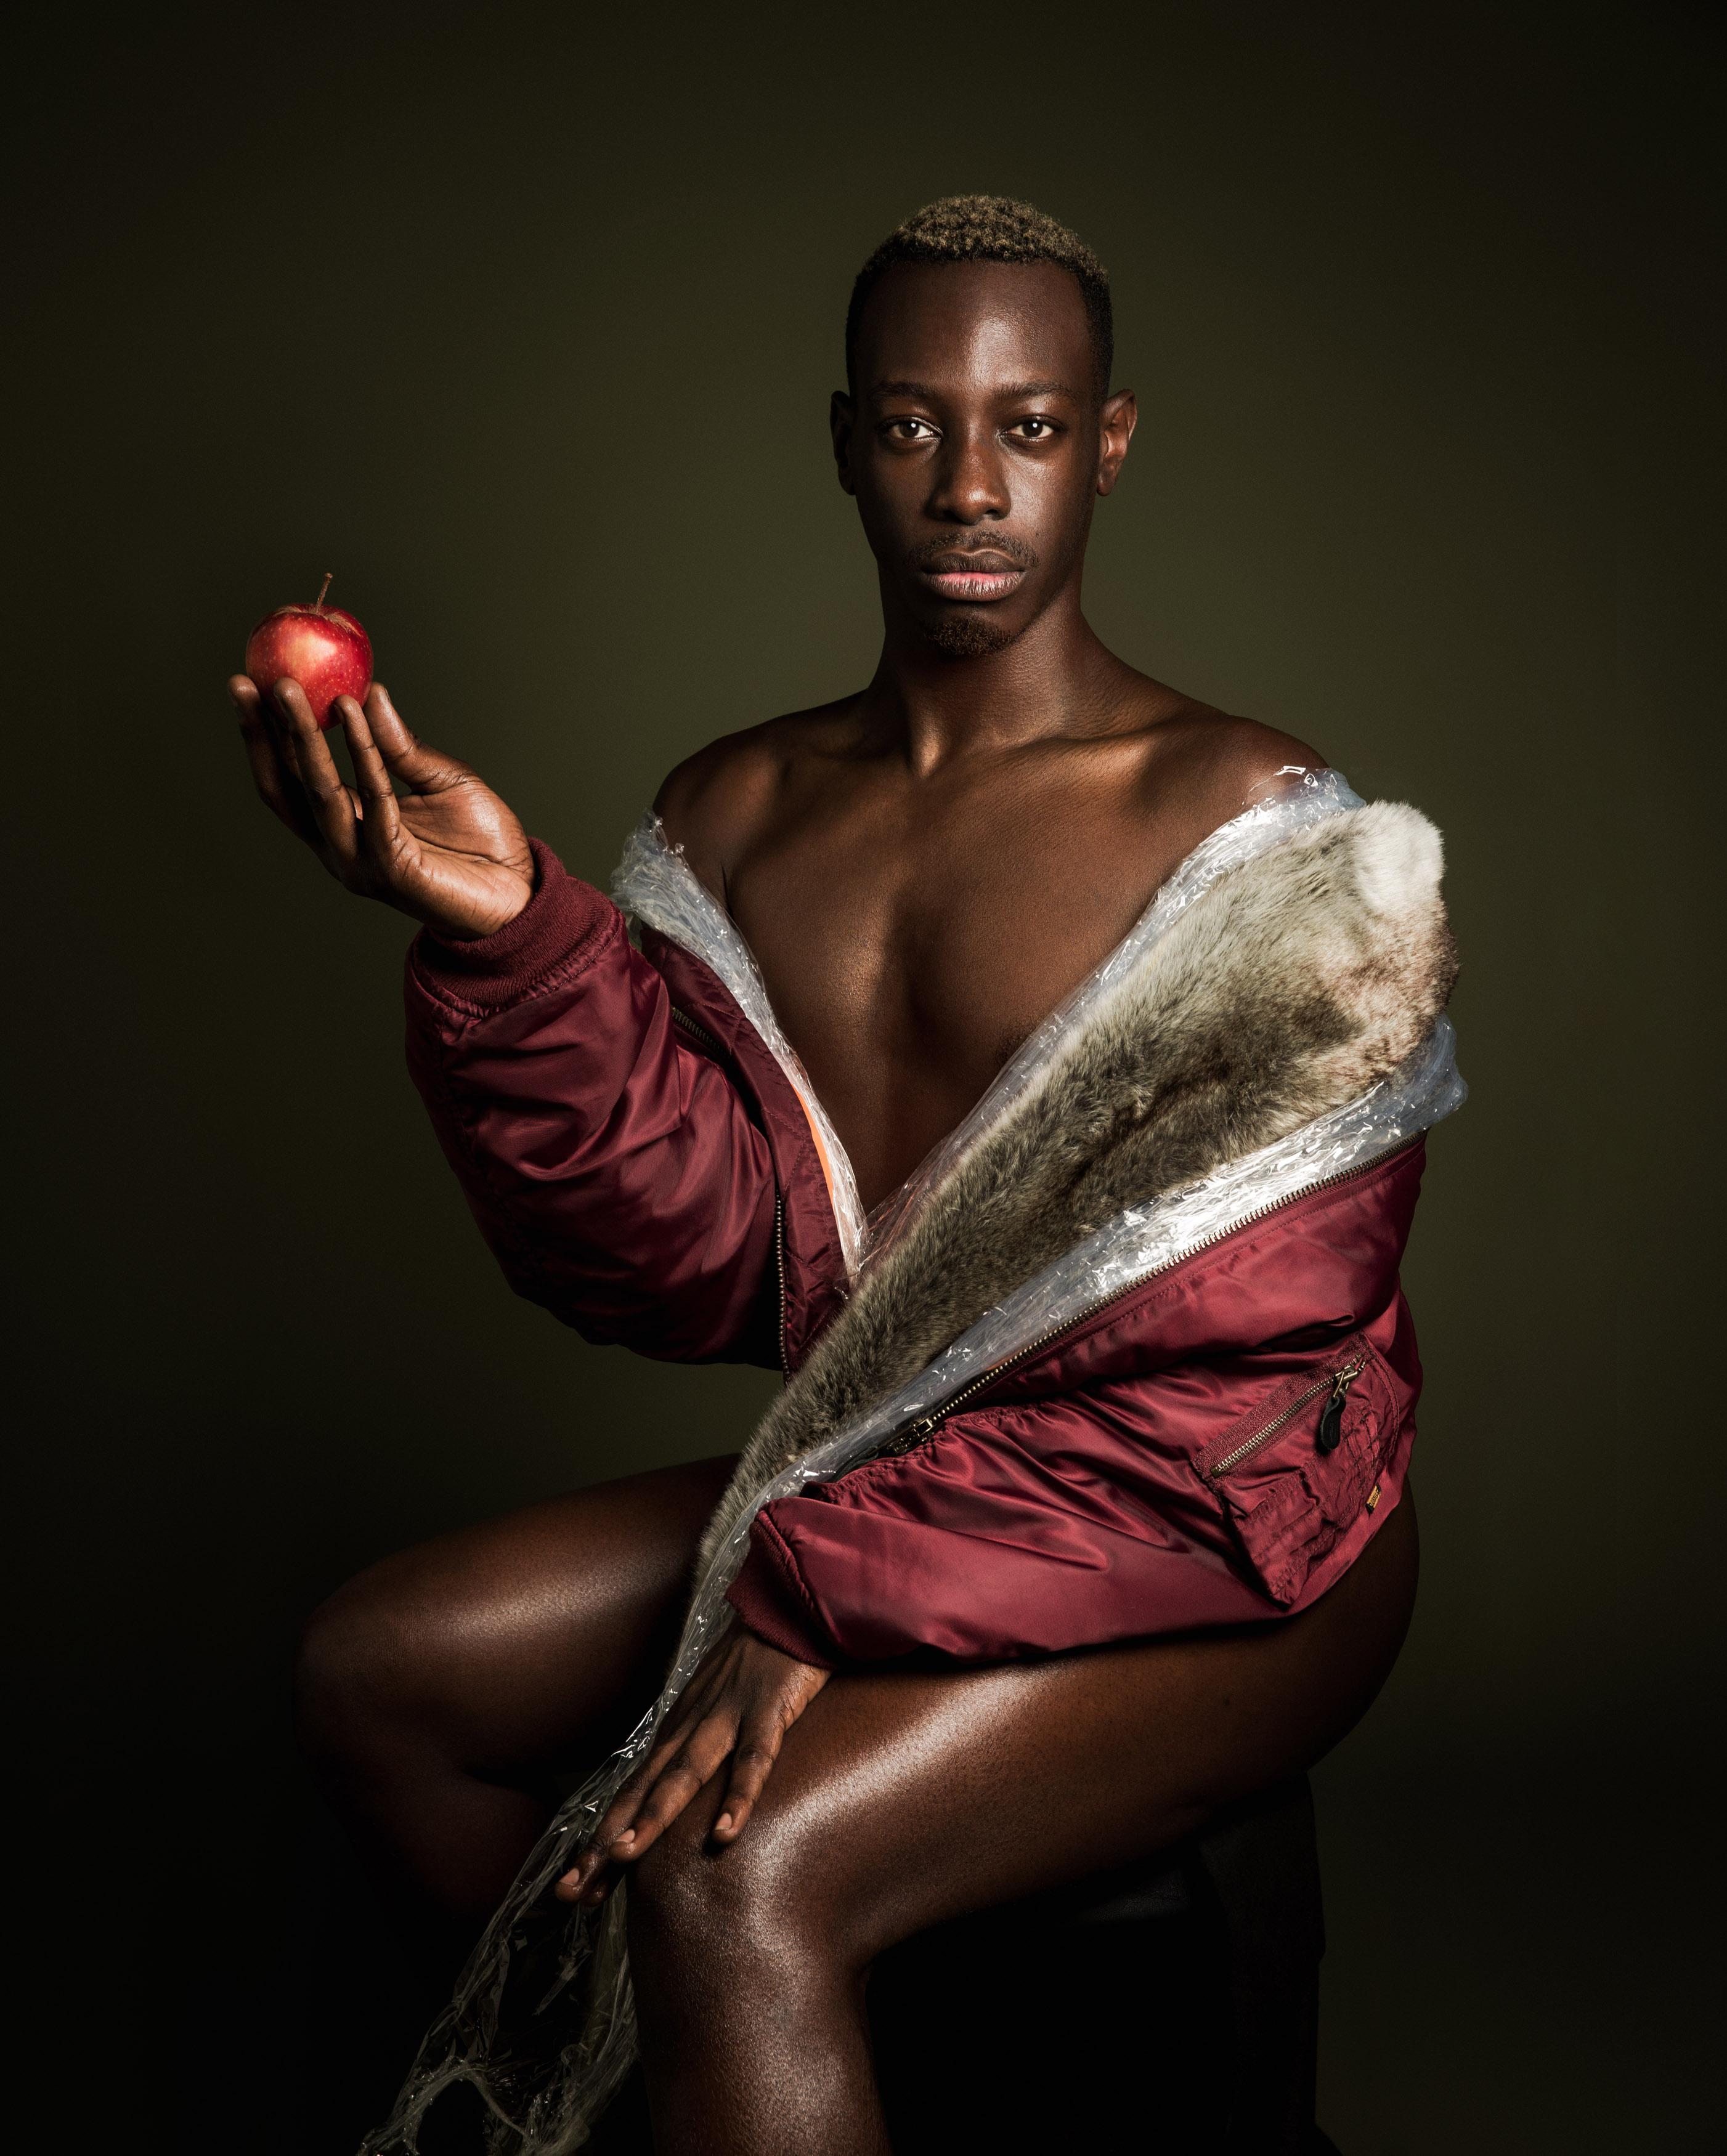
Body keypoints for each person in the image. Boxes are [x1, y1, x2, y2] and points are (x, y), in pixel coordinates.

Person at [230, 197, 1458, 2154]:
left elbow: (1252, 1356)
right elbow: (709, 1265)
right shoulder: (731, 813)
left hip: (1245, 1525)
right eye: (911, 426)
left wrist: (832, 1591)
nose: (969, 489)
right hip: (881, 1476)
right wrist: (511, 943)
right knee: (384, 1671)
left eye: (1029, 429)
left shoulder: (1255, 828)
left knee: (731, 1878)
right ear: (841, 439)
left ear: (1109, 441)